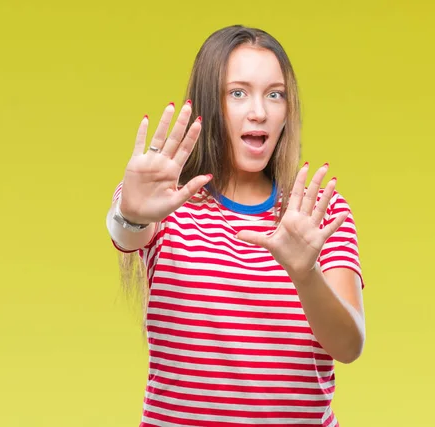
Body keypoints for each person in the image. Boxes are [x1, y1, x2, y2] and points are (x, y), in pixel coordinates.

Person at [106, 25, 365, 427]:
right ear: (211, 103)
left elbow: (349, 346)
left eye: (274, 94)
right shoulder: (165, 198)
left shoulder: (319, 214)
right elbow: (126, 231)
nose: (259, 111)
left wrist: (305, 273)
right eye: (238, 93)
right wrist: (133, 214)